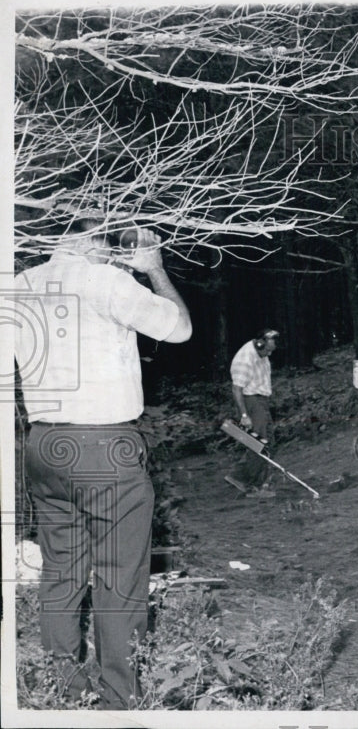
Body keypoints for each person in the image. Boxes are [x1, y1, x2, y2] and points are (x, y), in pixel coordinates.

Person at [12, 217, 191, 708]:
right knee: (120, 576)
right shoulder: (107, 280)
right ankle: (120, 700)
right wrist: (153, 269)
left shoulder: (21, 284)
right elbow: (179, 328)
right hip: (106, 445)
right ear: (98, 240)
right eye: (113, 243)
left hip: (44, 443)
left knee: (61, 571)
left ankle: (65, 691)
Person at [229, 328, 280, 497]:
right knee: (259, 443)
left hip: (261, 400)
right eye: (267, 350)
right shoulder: (245, 359)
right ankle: (249, 483)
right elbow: (236, 389)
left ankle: (244, 477)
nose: (269, 354)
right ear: (260, 343)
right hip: (250, 400)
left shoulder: (262, 352)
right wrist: (244, 415)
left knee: (267, 440)